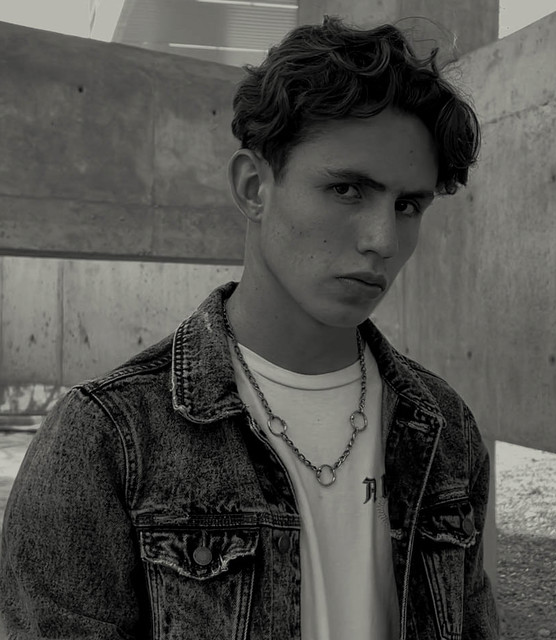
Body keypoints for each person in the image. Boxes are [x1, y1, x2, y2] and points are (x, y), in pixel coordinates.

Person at [0, 15, 499, 640]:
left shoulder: (444, 427)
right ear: (253, 186)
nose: (383, 240)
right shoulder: (106, 439)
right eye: (347, 190)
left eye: (407, 206)